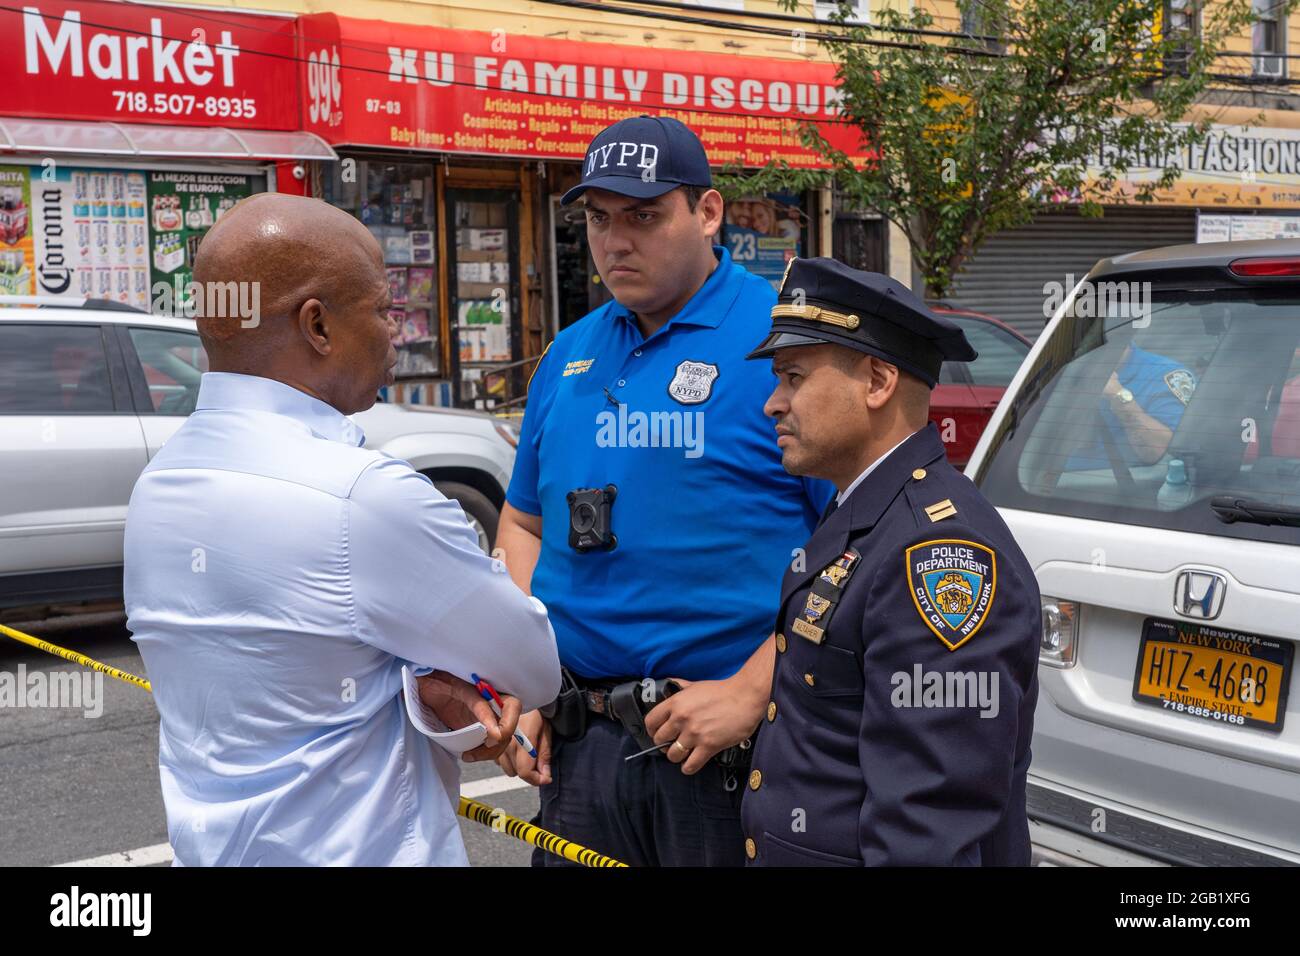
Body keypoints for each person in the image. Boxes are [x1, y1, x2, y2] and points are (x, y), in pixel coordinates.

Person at [123, 193, 561, 866]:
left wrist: (409, 678)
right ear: (317, 326)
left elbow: (291, 666)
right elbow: (531, 665)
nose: (398, 333)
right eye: (385, 309)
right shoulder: (362, 497)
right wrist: (429, 672)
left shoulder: (156, 488)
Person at [494, 116, 833, 867]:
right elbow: (521, 525)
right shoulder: (567, 355)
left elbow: (856, 554)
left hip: (724, 759)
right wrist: (526, 673)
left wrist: (752, 690)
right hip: (576, 749)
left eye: (644, 216)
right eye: (599, 218)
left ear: (708, 213)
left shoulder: (785, 344)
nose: (616, 241)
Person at [739, 257, 1041, 866]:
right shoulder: (869, 510)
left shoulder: (939, 556)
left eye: (794, 377)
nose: (773, 403)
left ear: (877, 382)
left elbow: (926, 830)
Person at [1065, 341, 1197, 470]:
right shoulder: (1066, 373)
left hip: (1124, 487)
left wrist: (1118, 396)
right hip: (1059, 484)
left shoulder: (1166, 375)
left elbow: (1158, 454)